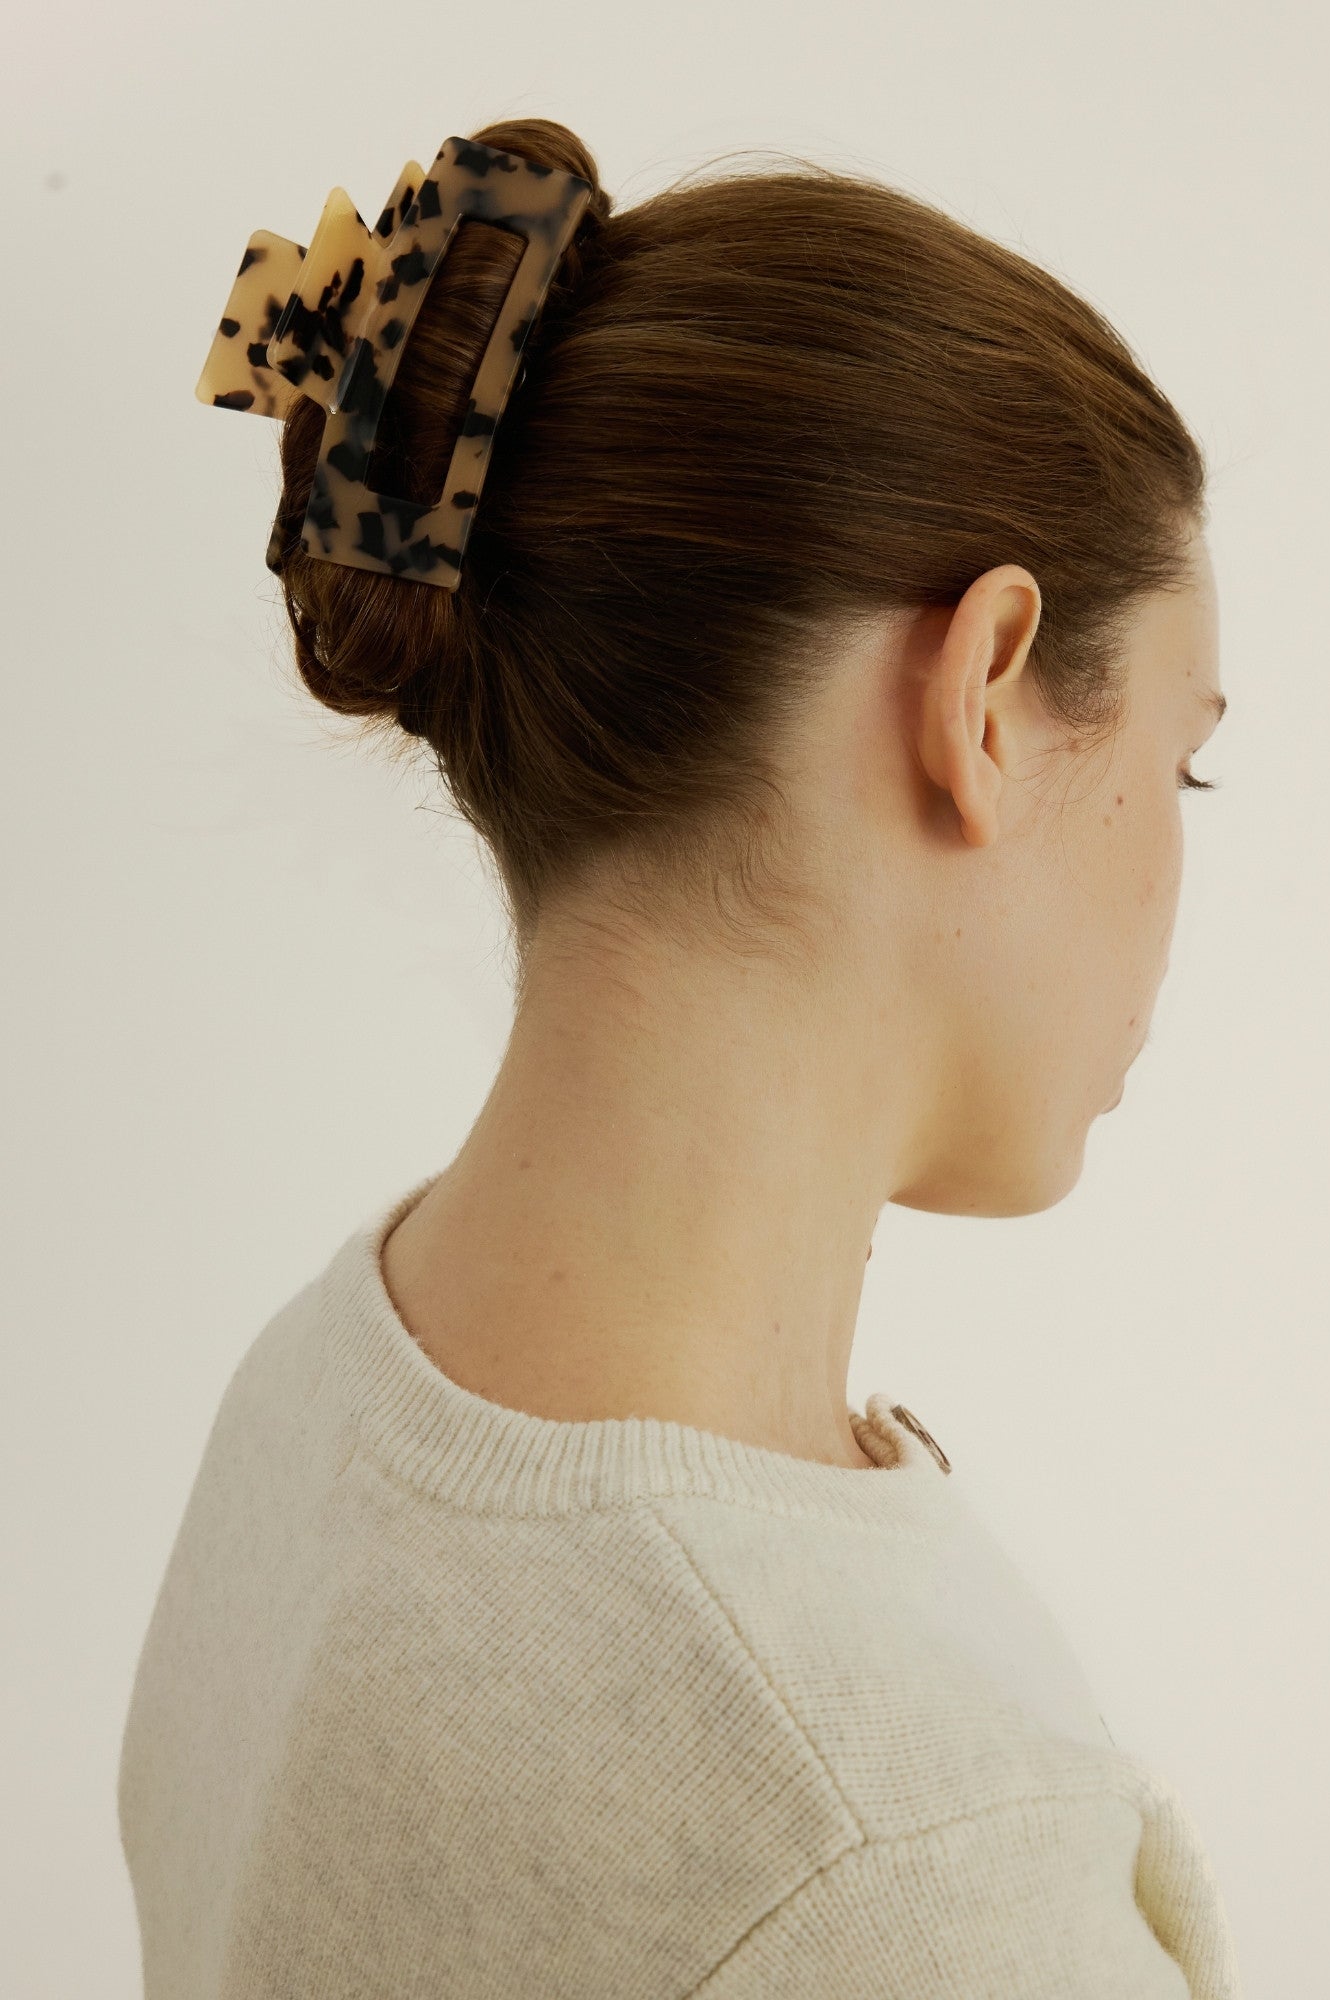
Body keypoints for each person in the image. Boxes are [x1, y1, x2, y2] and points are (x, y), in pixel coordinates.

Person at [119, 116, 1239, 1997]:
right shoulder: (891, 1865)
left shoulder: (324, 1392)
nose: (1178, 867)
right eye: (1181, 762)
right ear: (981, 696)